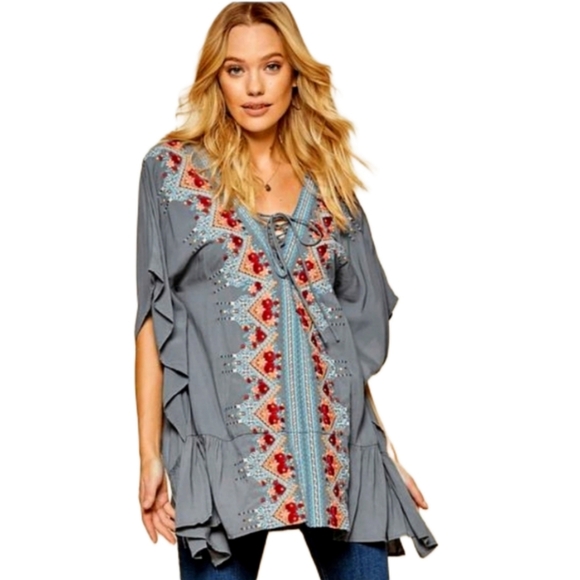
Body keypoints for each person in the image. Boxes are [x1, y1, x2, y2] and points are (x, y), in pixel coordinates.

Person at [134, 3, 437, 578]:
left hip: (337, 449)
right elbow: (154, 318)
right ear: (216, 79)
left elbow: (340, 338)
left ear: (295, 74)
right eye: (235, 69)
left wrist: (382, 450)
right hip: (225, 451)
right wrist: (151, 455)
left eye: (271, 66)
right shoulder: (172, 173)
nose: (254, 87)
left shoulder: (328, 180)